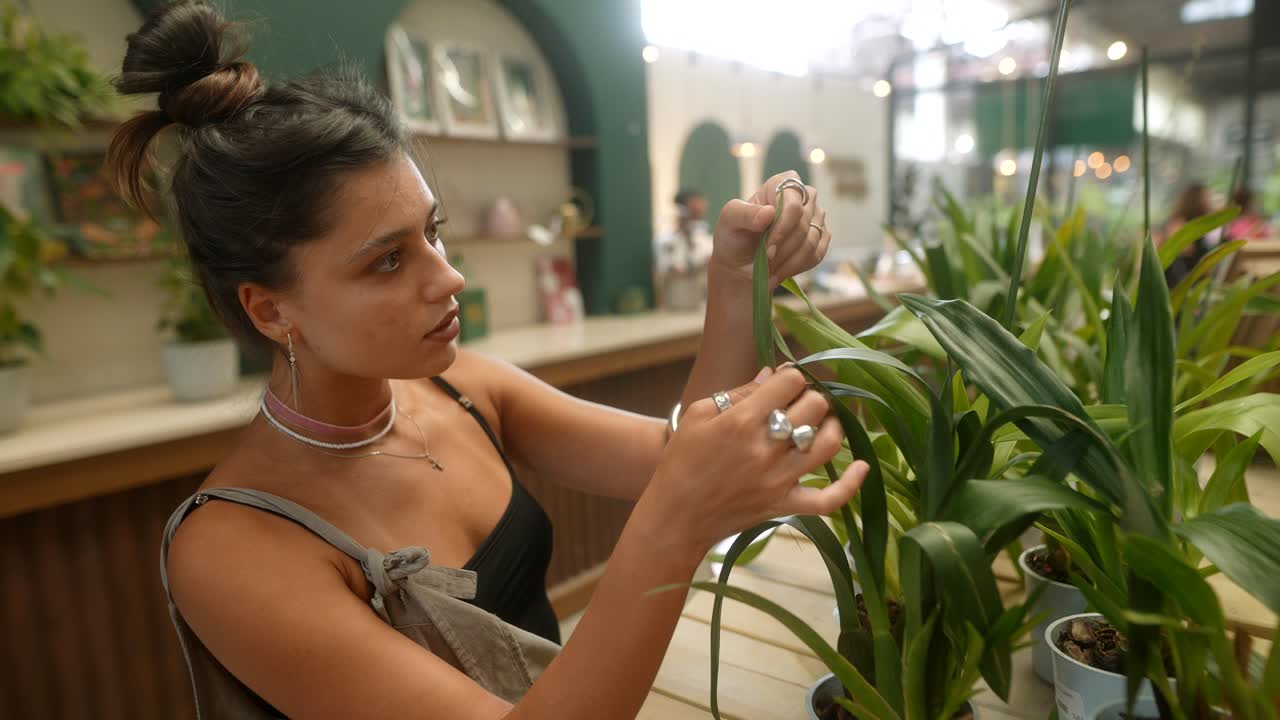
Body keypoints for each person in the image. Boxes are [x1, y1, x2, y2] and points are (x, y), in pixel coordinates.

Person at [111, 3, 865, 718]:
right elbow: (678, 487)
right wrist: (673, 525)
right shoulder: (230, 549)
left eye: (432, 233)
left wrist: (735, 282)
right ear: (271, 309)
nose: (449, 276)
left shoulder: (458, 388)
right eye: (387, 261)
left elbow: (675, 455)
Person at [654, 188, 714, 309]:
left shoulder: (703, 234)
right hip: (678, 298)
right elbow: (666, 267)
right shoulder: (667, 238)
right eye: (697, 202)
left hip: (699, 299)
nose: (703, 205)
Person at [1157, 182, 1218, 287]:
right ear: (1196, 201)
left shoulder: (1200, 224)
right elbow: (1186, 253)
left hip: (1196, 280)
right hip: (1181, 286)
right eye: (1208, 198)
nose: (1211, 202)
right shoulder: (1179, 224)